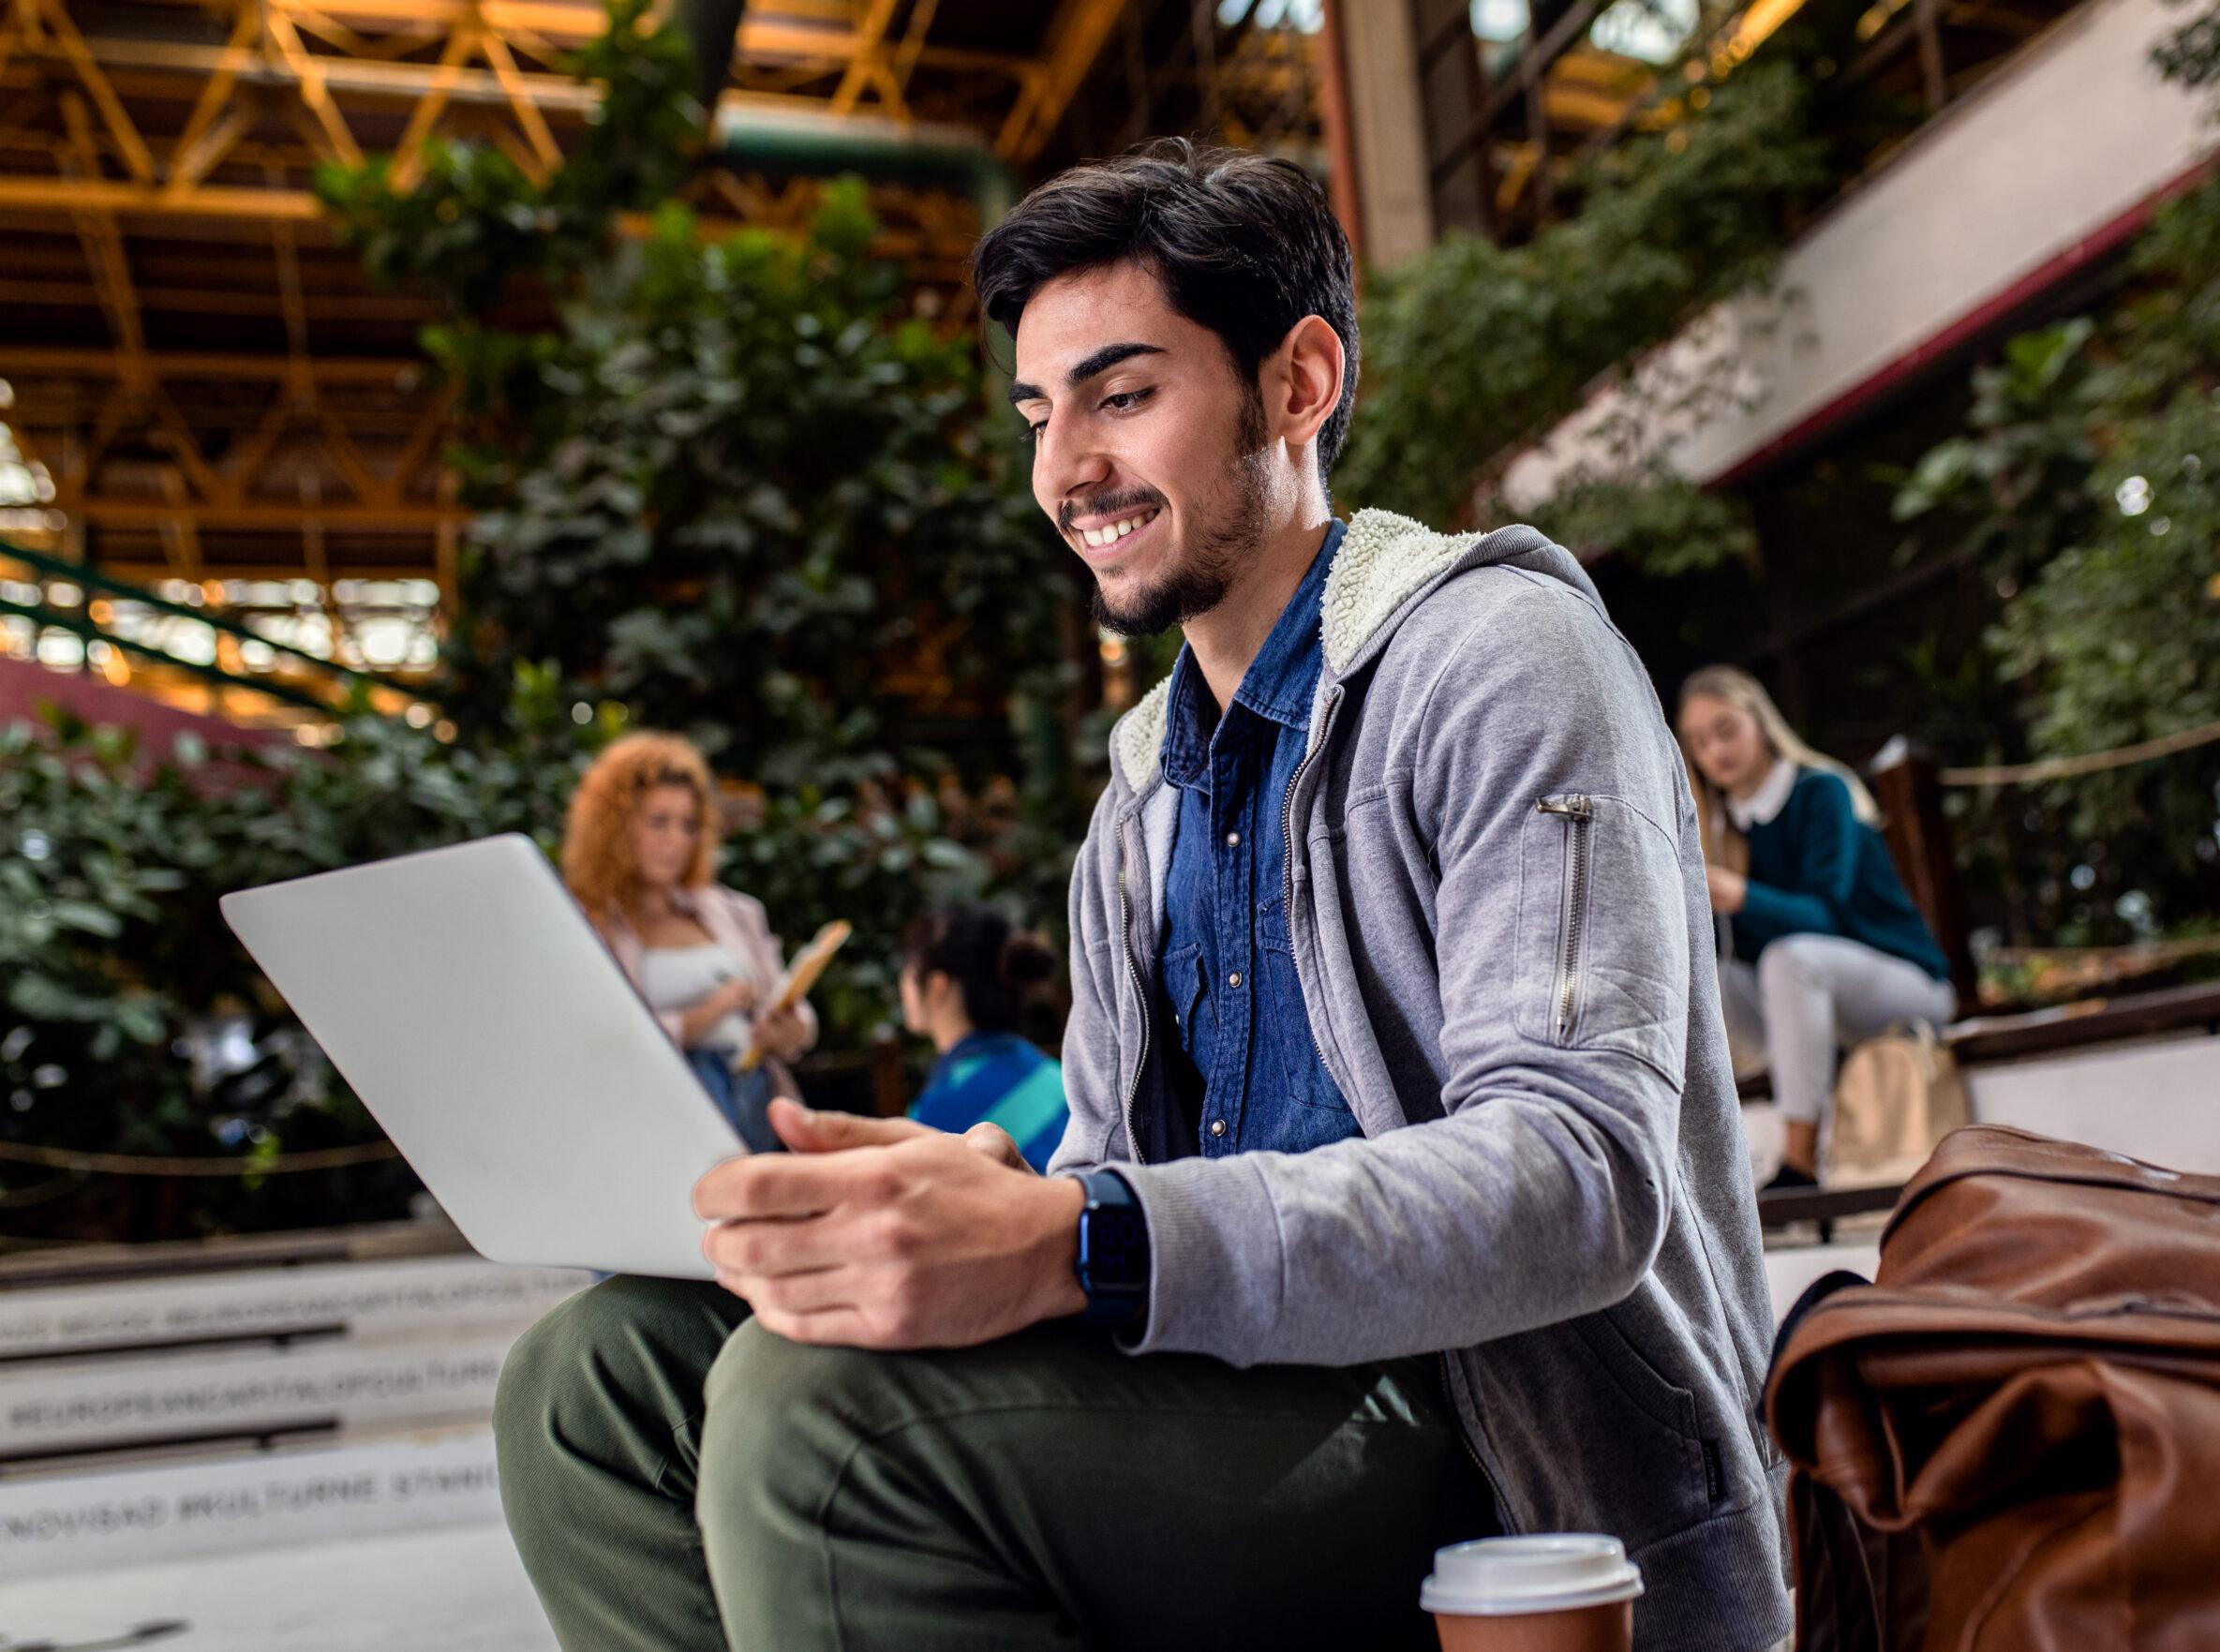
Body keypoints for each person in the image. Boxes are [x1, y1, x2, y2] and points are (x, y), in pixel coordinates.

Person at [496, 142, 1788, 1652]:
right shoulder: (1139, 801)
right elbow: (1119, 1167)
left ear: (1298, 383)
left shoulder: (1500, 658)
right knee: (591, 1380)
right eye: (1040, 415)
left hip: (1508, 1441)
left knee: (824, 1423)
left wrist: (1081, 1235)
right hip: (1236, 1399)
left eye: (1121, 395)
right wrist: (980, 1198)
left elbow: (1578, 1176)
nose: (1063, 471)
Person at [1677, 665, 1957, 1189]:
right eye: (1699, 742)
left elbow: (1826, 915)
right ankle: (1712, 1163)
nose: (1716, 752)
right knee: (1706, 974)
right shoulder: (1719, 827)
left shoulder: (1820, 791)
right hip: (1814, 1010)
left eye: (1726, 730)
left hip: (1908, 988)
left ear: (1760, 722)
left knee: (1791, 957)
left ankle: (1799, 1161)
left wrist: (1741, 895)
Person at [560, 731, 816, 1153]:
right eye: (658, 822)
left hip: (755, 1099)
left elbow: (796, 1015)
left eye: (689, 824)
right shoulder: (590, 927)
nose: (676, 840)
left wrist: (786, 1030)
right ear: (616, 827)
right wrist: (706, 1015)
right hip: (664, 1117)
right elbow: (597, 1043)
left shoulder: (732, 910)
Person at [900, 900, 1070, 1170]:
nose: (903, 981)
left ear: (936, 987)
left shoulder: (936, 1113)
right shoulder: (1054, 1074)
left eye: (909, 965)